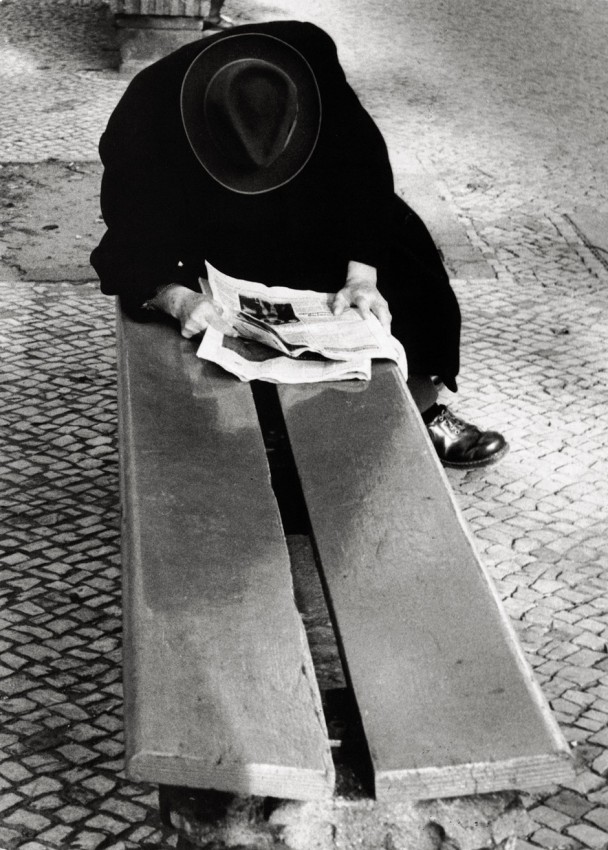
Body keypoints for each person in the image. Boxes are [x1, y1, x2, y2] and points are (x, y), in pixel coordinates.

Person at [91, 20, 508, 469]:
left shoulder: (308, 59)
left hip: (309, 200)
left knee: (406, 253)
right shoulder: (148, 109)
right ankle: (260, 429)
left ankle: (424, 406)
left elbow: (365, 168)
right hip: (208, 227)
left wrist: (362, 275)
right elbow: (131, 231)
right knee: (191, 326)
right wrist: (175, 297)